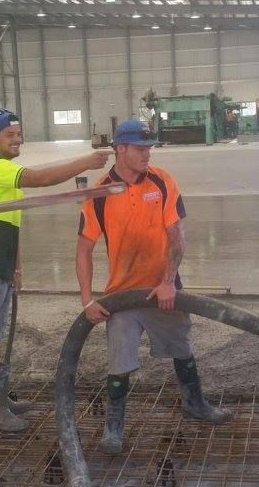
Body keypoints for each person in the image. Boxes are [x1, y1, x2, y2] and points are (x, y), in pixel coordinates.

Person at [76, 119, 233, 455]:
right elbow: (83, 250)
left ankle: (195, 402)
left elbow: (177, 238)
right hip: (121, 297)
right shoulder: (100, 192)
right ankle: (114, 426)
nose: (147, 154)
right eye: (139, 148)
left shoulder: (162, 182)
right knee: (119, 360)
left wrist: (167, 282)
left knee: (181, 346)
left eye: (149, 148)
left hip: (163, 290)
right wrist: (88, 301)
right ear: (120, 149)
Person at [0, 109, 109, 431]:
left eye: (18, 133)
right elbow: (40, 178)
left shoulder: (2, 169)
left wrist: (17, 267)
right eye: (9, 135)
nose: (17, 140)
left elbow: (5, 223)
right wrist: (86, 162)